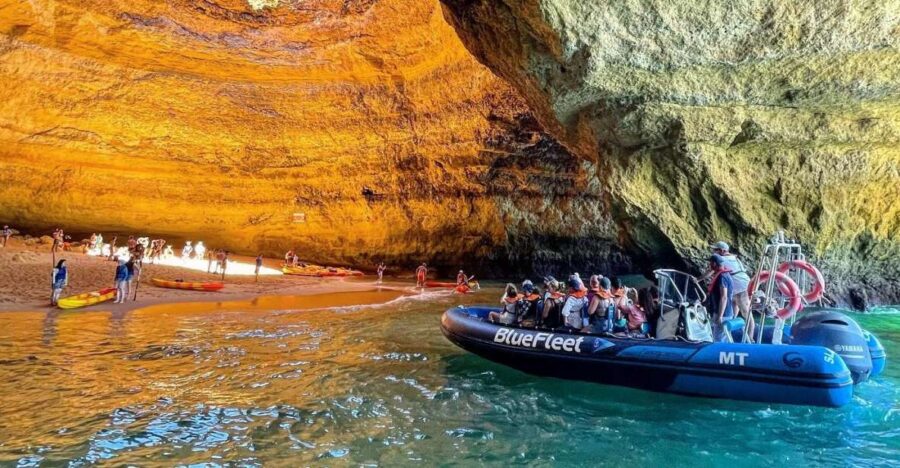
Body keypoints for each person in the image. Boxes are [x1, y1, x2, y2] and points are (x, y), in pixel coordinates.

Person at [711, 241, 754, 341]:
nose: (713, 252)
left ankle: (751, 338)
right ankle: (730, 336)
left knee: (746, 312)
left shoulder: (722, 260)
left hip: (742, 286)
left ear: (722, 251)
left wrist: (699, 279)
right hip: (736, 286)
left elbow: (711, 271)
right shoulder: (733, 257)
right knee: (733, 311)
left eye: (715, 250)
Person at [707, 254, 735, 342]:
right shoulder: (726, 274)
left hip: (723, 313)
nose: (709, 265)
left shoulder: (722, 277)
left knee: (718, 339)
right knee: (724, 337)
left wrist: (720, 316)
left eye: (710, 263)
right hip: (726, 311)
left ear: (714, 264)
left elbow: (724, 297)